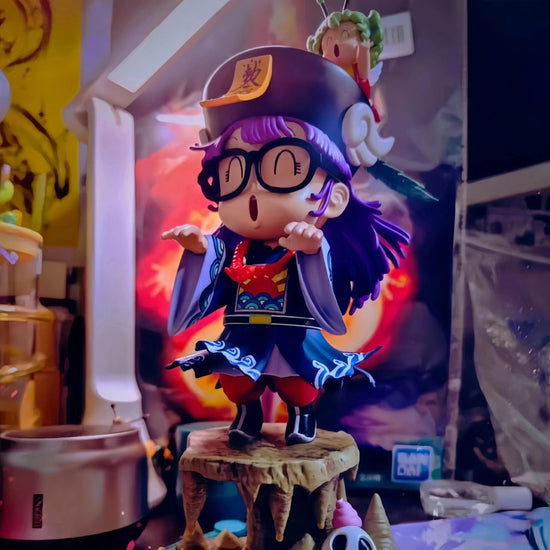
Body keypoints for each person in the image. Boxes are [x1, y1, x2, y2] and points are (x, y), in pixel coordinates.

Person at [163, 46, 409, 447]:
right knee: (236, 379)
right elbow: (212, 284)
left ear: (335, 198)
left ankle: (302, 416)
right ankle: (248, 413)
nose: (252, 188)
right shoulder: (233, 249)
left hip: (295, 333)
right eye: (233, 171)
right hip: (244, 331)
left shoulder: (311, 246)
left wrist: (311, 252)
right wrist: (199, 253)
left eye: (283, 166)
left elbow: (327, 299)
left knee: (298, 384)